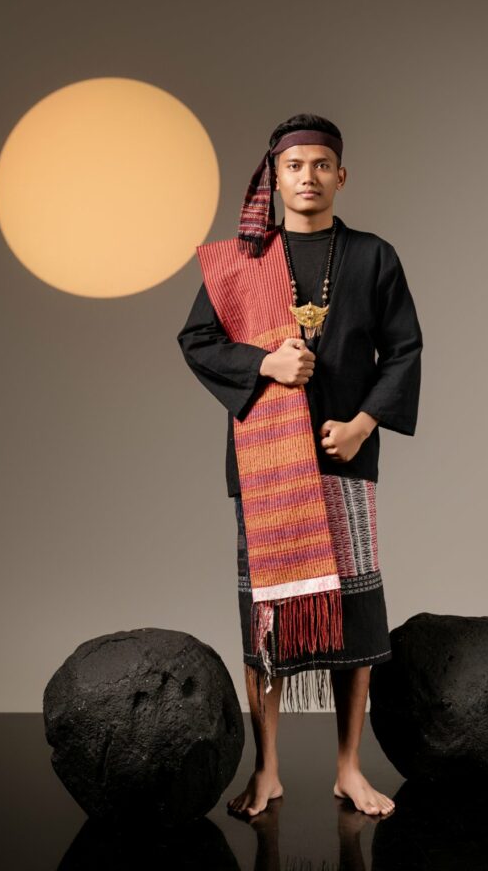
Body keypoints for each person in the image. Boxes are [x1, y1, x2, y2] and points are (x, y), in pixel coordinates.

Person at [177, 113, 423, 819]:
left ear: (340, 176)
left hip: (345, 456)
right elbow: (197, 339)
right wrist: (265, 363)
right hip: (267, 467)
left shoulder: (373, 256)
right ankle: (268, 771)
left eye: (320, 165)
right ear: (274, 178)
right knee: (268, 616)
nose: (307, 177)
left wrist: (363, 425)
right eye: (294, 166)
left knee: (356, 613)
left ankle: (348, 767)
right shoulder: (241, 261)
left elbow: (404, 350)